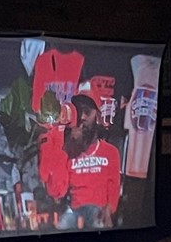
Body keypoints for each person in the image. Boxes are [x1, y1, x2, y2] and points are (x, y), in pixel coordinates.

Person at [37, 94, 122, 225]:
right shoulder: (68, 151)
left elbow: (114, 190)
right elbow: (57, 192)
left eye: (87, 112)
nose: (81, 117)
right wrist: (61, 144)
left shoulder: (110, 152)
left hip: (98, 214)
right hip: (74, 213)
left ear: (98, 117)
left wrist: (107, 213)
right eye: (78, 112)